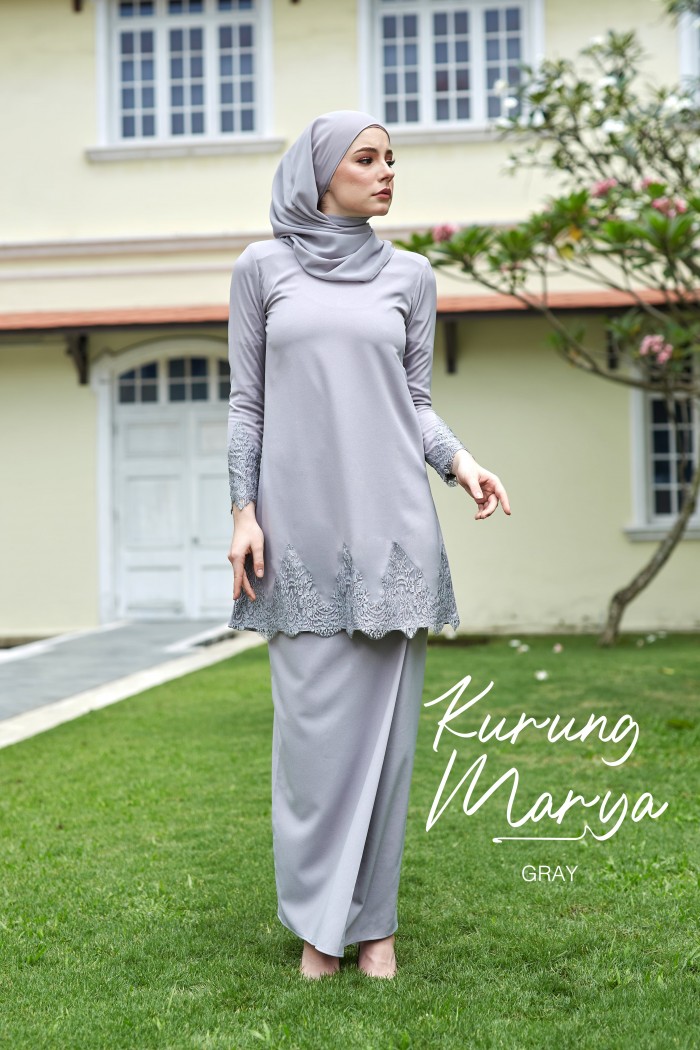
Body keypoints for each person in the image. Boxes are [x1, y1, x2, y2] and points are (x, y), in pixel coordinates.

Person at [226, 111, 510, 980]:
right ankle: (319, 926)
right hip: (296, 535)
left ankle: (374, 927)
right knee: (311, 747)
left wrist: (461, 463)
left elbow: (413, 401)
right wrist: (242, 511)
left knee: (387, 749)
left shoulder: (411, 275)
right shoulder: (262, 267)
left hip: (392, 529)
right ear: (320, 174)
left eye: (392, 159)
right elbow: (247, 403)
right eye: (367, 158)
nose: (387, 171)